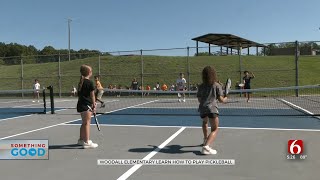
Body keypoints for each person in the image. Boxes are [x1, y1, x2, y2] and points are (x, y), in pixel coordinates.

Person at [197, 66, 227, 155]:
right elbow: (221, 100)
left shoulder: (201, 86)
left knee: (204, 122)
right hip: (212, 108)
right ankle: (206, 146)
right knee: (214, 129)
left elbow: (199, 99)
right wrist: (225, 99)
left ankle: (205, 139)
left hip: (202, 108)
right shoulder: (216, 85)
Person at [76, 64, 98, 149]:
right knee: (87, 123)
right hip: (86, 106)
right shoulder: (89, 83)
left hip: (81, 105)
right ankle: (87, 141)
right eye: (91, 71)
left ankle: (81, 140)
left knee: (84, 122)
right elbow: (92, 95)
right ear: (89, 72)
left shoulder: (81, 82)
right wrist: (94, 104)